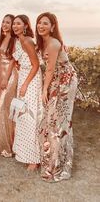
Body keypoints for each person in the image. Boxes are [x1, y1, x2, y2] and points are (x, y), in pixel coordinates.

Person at [36, 12, 78, 182]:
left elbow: (51, 69)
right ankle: (54, 158)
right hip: (57, 80)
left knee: (57, 122)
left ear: (53, 26)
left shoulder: (53, 43)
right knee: (52, 120)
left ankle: (58, 165)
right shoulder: (44, 42)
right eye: (39, 23)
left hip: (65, 83)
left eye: (45, 23)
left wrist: (44, 89)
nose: (41, 26)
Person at [12, 15, 42, 171]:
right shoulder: (19, 40)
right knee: (22, 116)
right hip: (24, 76)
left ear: (25, 25)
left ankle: (34, 158)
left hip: (31, 80)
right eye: (14, 24)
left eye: (18, 23)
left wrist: (24, 84)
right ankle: (25, 153)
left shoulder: (27, 40)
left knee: (30, 117)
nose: (15, 26)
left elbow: (36, 65)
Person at [0, 14, 18, 157]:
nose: (4, 24)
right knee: (5, 109)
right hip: (0, 75)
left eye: (8, 22)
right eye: (3, 22)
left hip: (9, 76)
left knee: (3, 107)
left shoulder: (15, 40)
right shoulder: (3, 38)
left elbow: (13, 61)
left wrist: (6, 78)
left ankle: (9, 146)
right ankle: (4, 144)